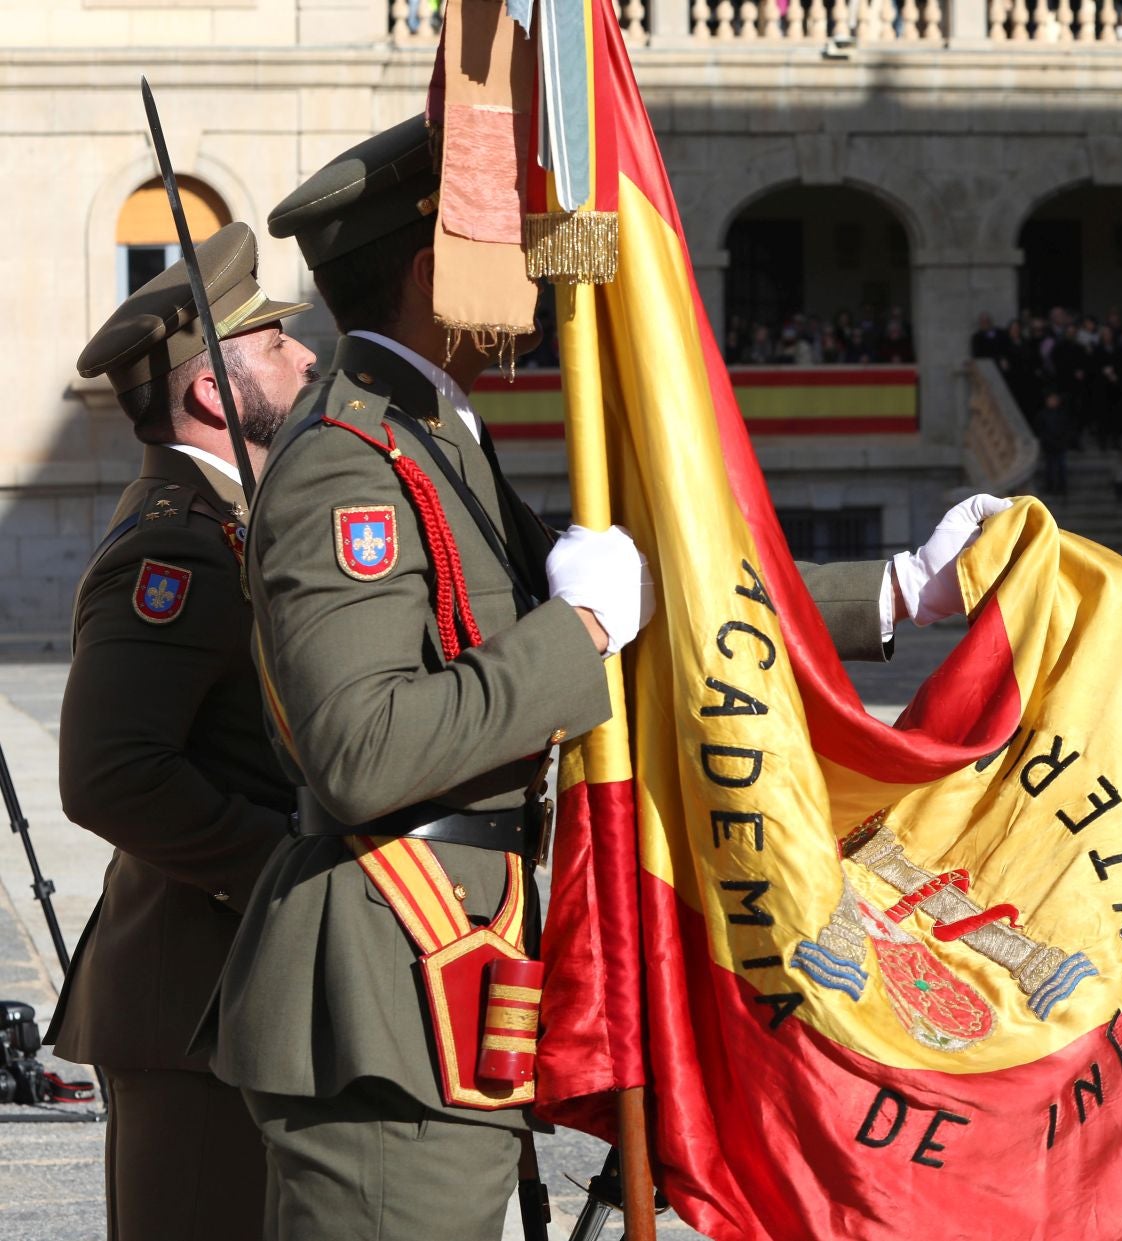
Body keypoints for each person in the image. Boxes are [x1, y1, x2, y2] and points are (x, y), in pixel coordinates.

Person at [208, 117, 1009, 1240]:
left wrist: (892, 590)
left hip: (442, 970)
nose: (538, 272)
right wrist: (574, 628)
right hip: (383, 985)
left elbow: (656, 608)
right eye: (506, 240)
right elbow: (362, 749)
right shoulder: (350, 462)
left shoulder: (432, 437)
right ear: (437, 271)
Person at [50, 223, 316, 1241]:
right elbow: (111, 773)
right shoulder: (177, 538)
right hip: (191, 1003)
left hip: (232, 993)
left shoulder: (233, 519)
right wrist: (290, 867)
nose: (305, 355)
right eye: (276, 341)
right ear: (213, 391)